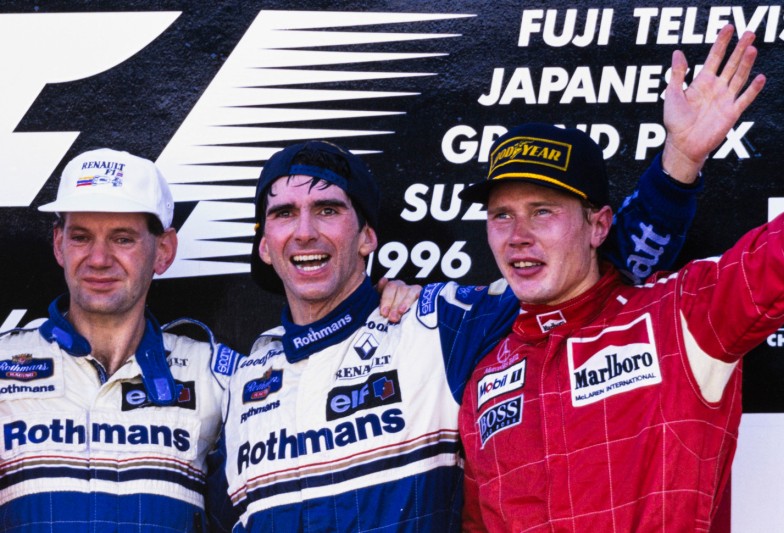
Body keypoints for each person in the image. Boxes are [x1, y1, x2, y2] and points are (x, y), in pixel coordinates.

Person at [214, 27, 741, 525]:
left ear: (368, 237)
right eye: (283, 214)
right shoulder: (240, 381)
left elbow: (593, 267)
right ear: (264, 243)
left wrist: (677, 166)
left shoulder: (439, 323)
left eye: (328, 210)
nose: (304, 232)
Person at [457, 25, 769, 532]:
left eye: (542, 212)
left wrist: (684, 159)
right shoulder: (484, 374)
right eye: (501, 215)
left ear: (598, 225)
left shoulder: (680, 315)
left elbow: (783, 257)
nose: (517, 236)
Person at [0, 148, 240, 532]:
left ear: (164, 251)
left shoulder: (216, 375)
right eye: (81, 237)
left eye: (122, 239)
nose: (98, 259)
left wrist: (373, 309)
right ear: (59, 244)